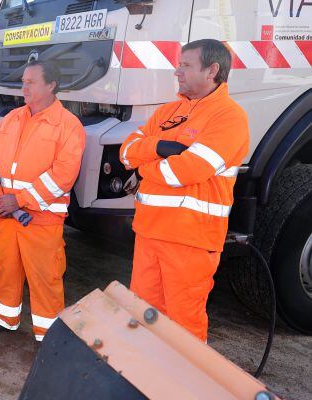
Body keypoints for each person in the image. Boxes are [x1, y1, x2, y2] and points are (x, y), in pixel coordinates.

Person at [119, 39, 249, 342]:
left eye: (186, 65)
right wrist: (159, 146)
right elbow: (125, 153)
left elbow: (184, 171)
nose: (177, 72)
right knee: (143, 316)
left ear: (212, 70)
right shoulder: (167, 111)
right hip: (150, 233)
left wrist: (143, 167)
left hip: (190, 240)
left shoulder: (229, 117)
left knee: (183, 328)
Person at [0, 60, 85, 341]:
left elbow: (63, 175)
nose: (24, 87)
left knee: (45, 278)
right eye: (23, 81)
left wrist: (19, 201)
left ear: (51, 85)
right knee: (5, 269)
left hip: (40, 219)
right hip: (7, 215)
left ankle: (48, 335)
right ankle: (5, 318)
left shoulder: (68, 126)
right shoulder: (11, 119)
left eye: (31, 82)